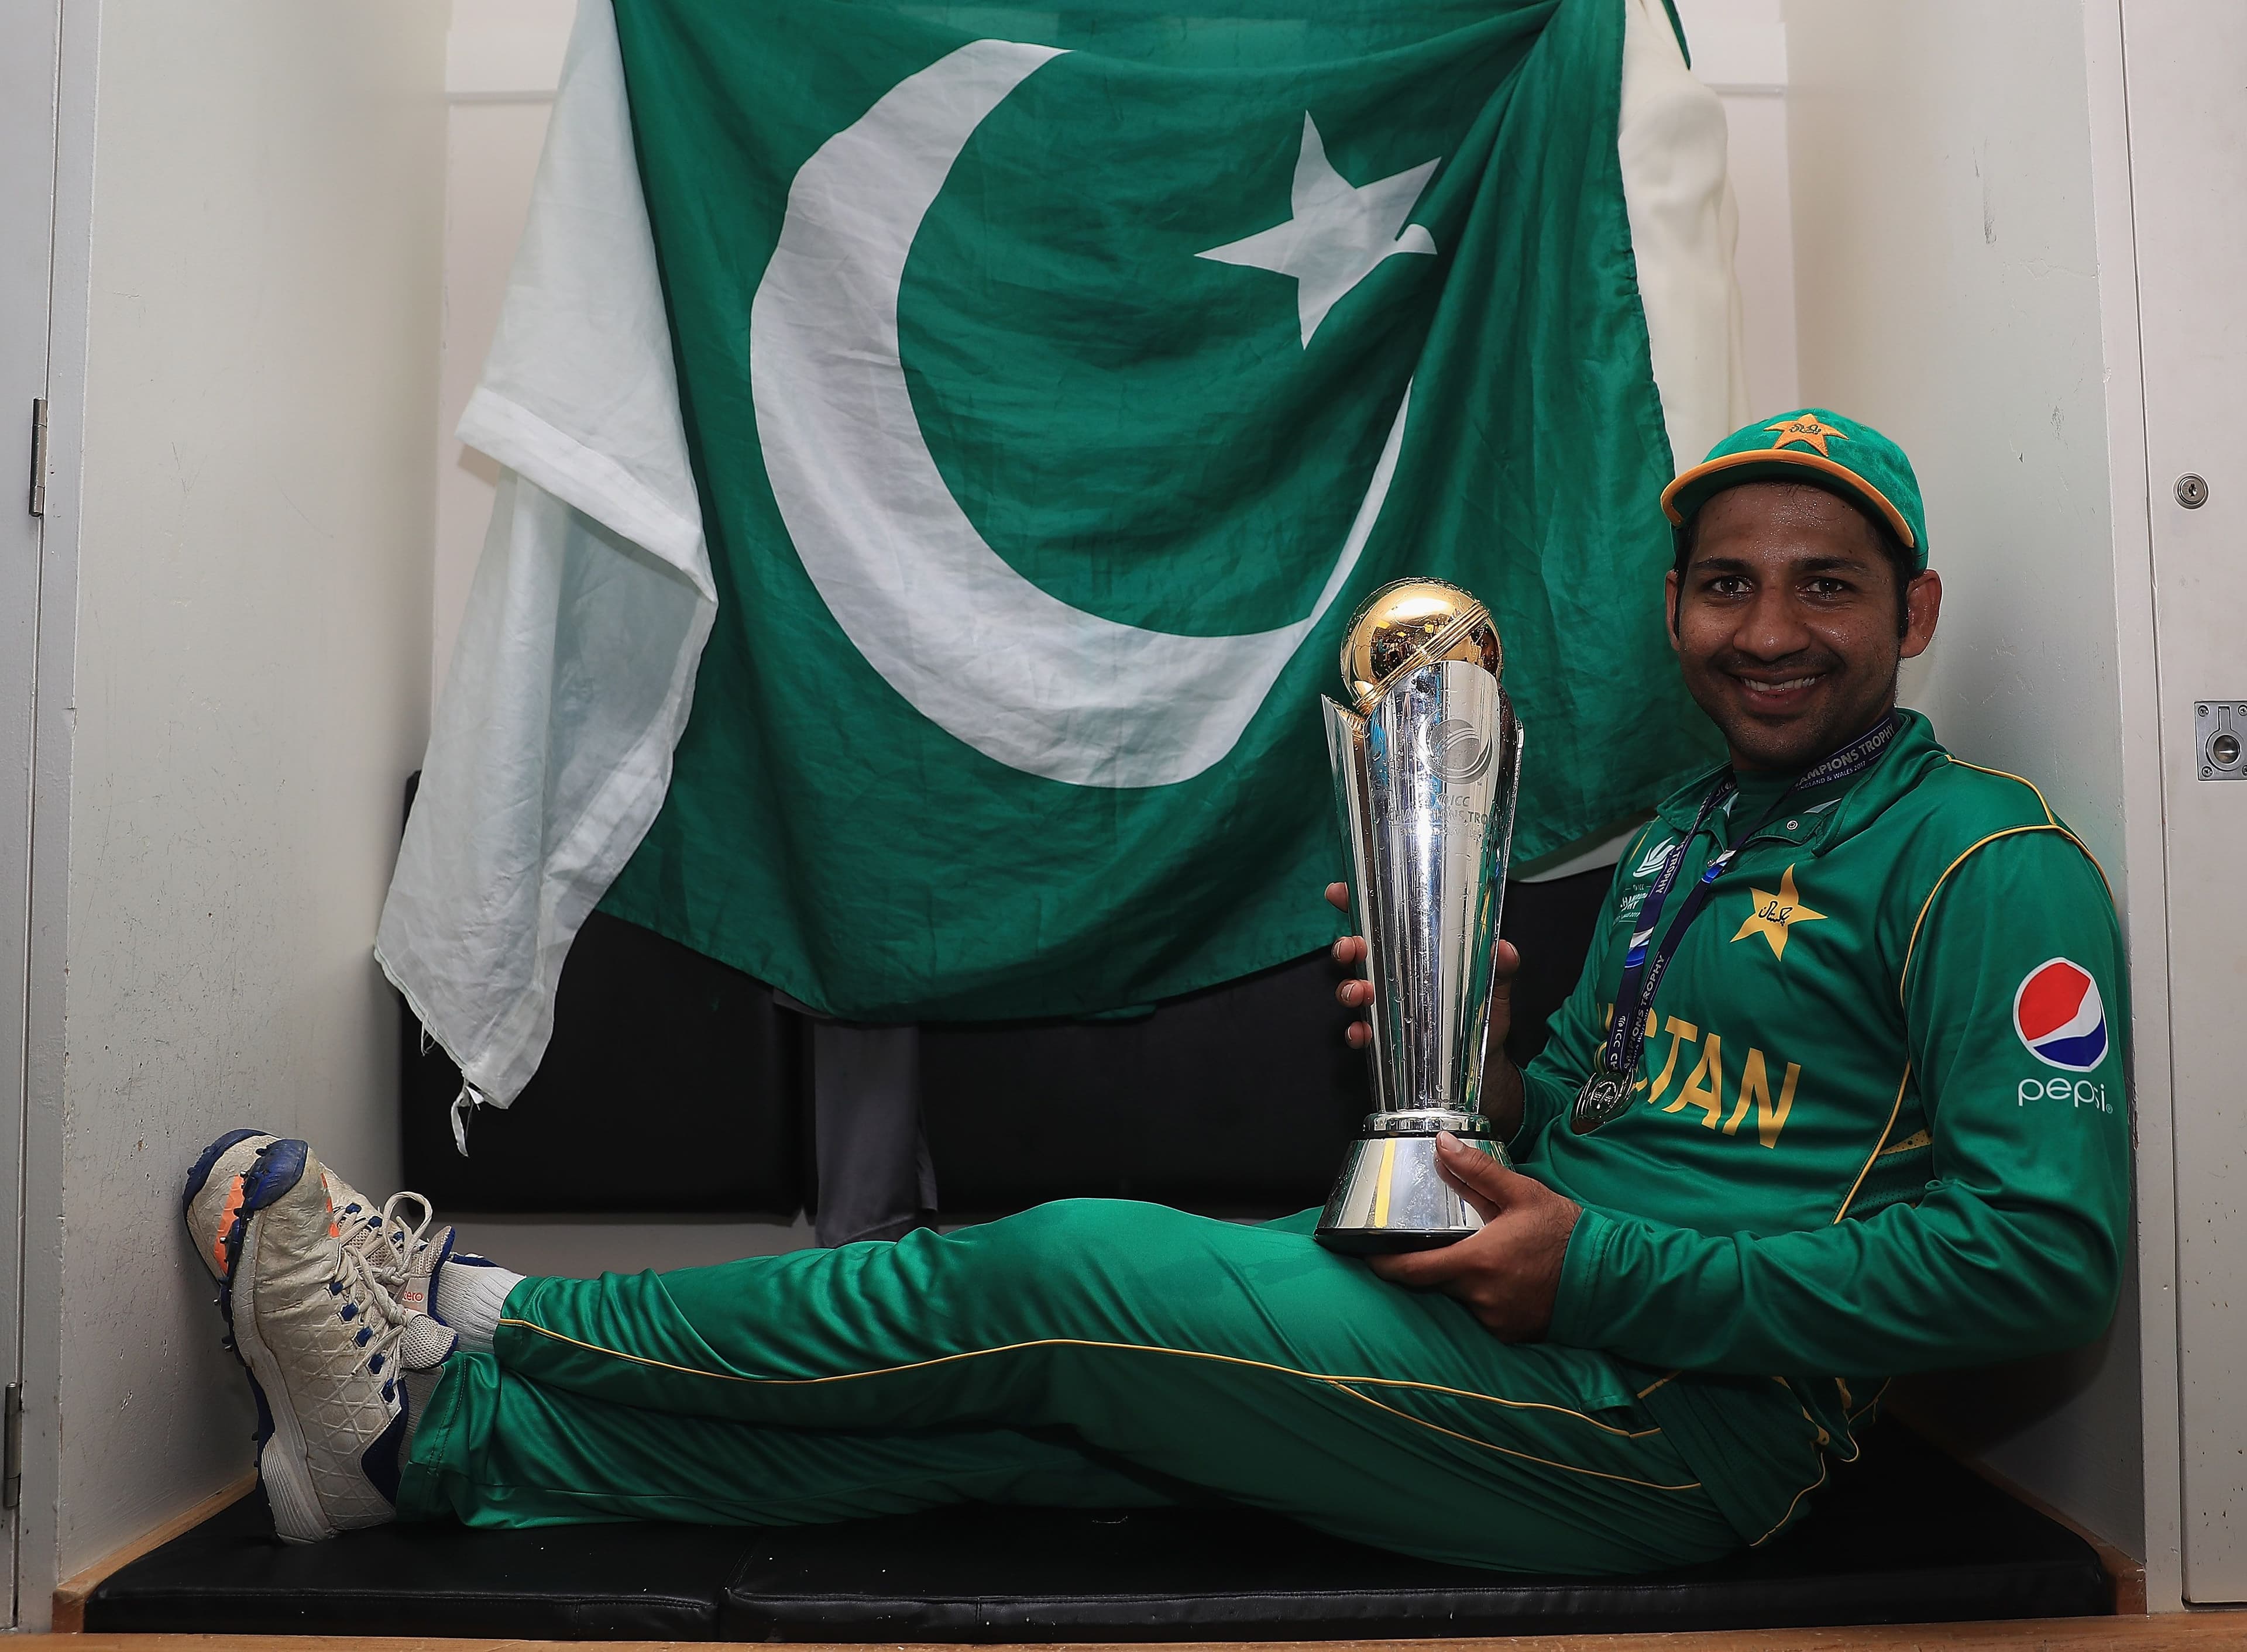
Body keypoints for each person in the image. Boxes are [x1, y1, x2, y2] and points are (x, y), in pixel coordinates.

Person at [184, 408, 2128, 1571]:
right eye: (1725, 584)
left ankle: (472, 1314)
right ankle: (428, 1460)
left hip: (1675, 1427)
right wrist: (1493, 1078)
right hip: (1520, 1316)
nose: (1768, 631)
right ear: (1679, 604)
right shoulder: (1692, 837)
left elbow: (2043, 1264)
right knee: (1015, 1426)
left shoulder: (1990, 867)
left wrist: (1603, 1274)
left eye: (1823, 588)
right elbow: (1627, 1144)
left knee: (1044, 1272)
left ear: (1913, 615)